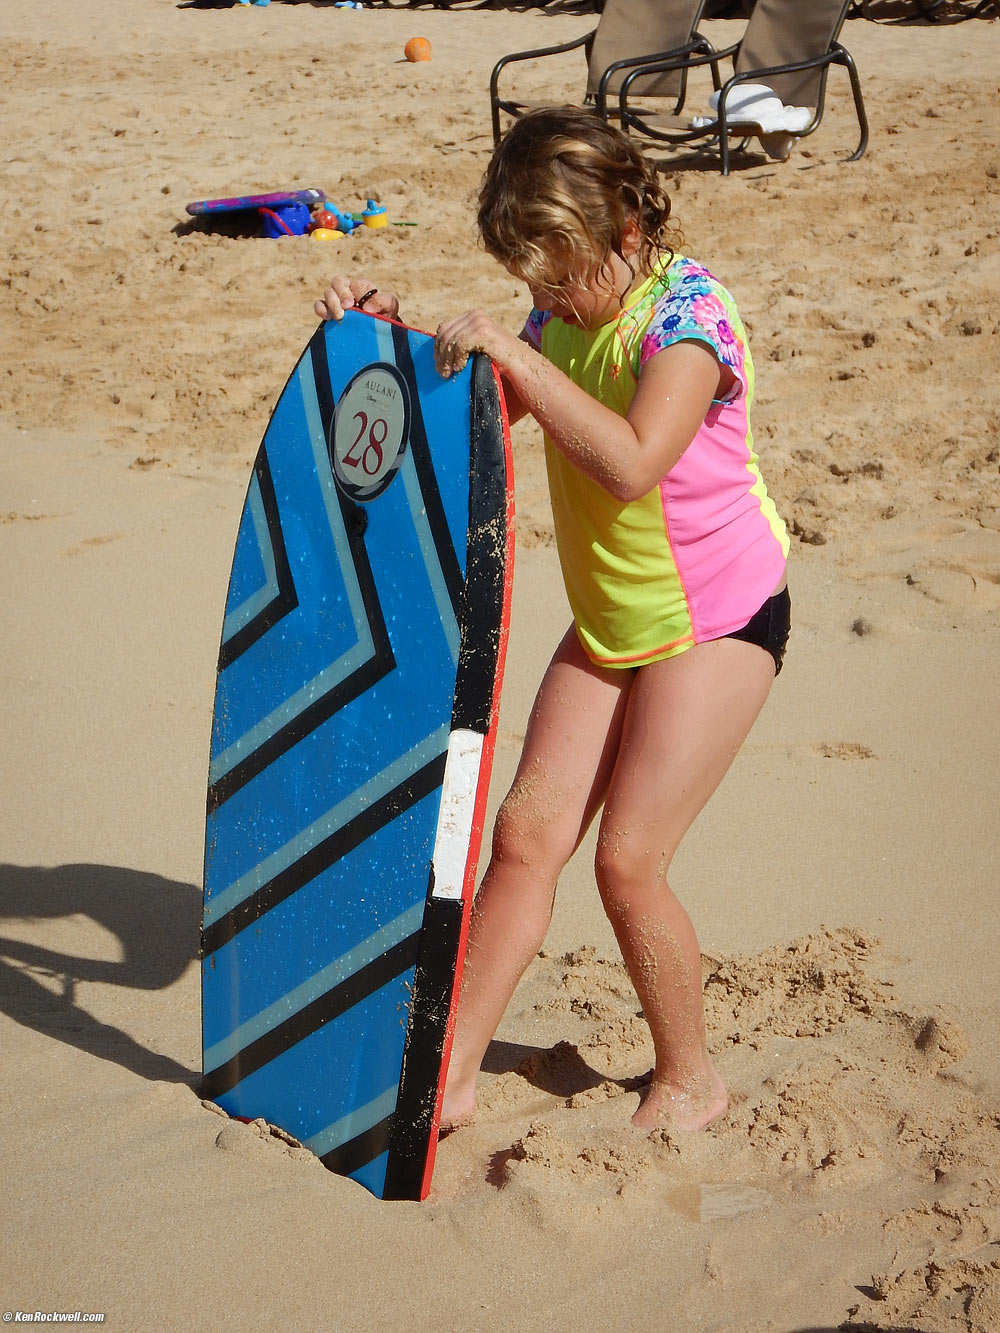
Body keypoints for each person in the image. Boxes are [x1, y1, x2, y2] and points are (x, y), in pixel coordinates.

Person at [315, 106, 790, 1134]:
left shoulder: (687, 321)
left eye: (560, 278)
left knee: (628, 860)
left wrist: (523, 357)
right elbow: (481, 416)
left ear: (627, 233)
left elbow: (627, 463)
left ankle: (689, 1076)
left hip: (716, 620)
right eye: (529, 285)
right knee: (525, 833)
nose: (545, 303)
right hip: (613, 621)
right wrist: (388, 335)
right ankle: (453, 1073)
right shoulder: (562, 317)